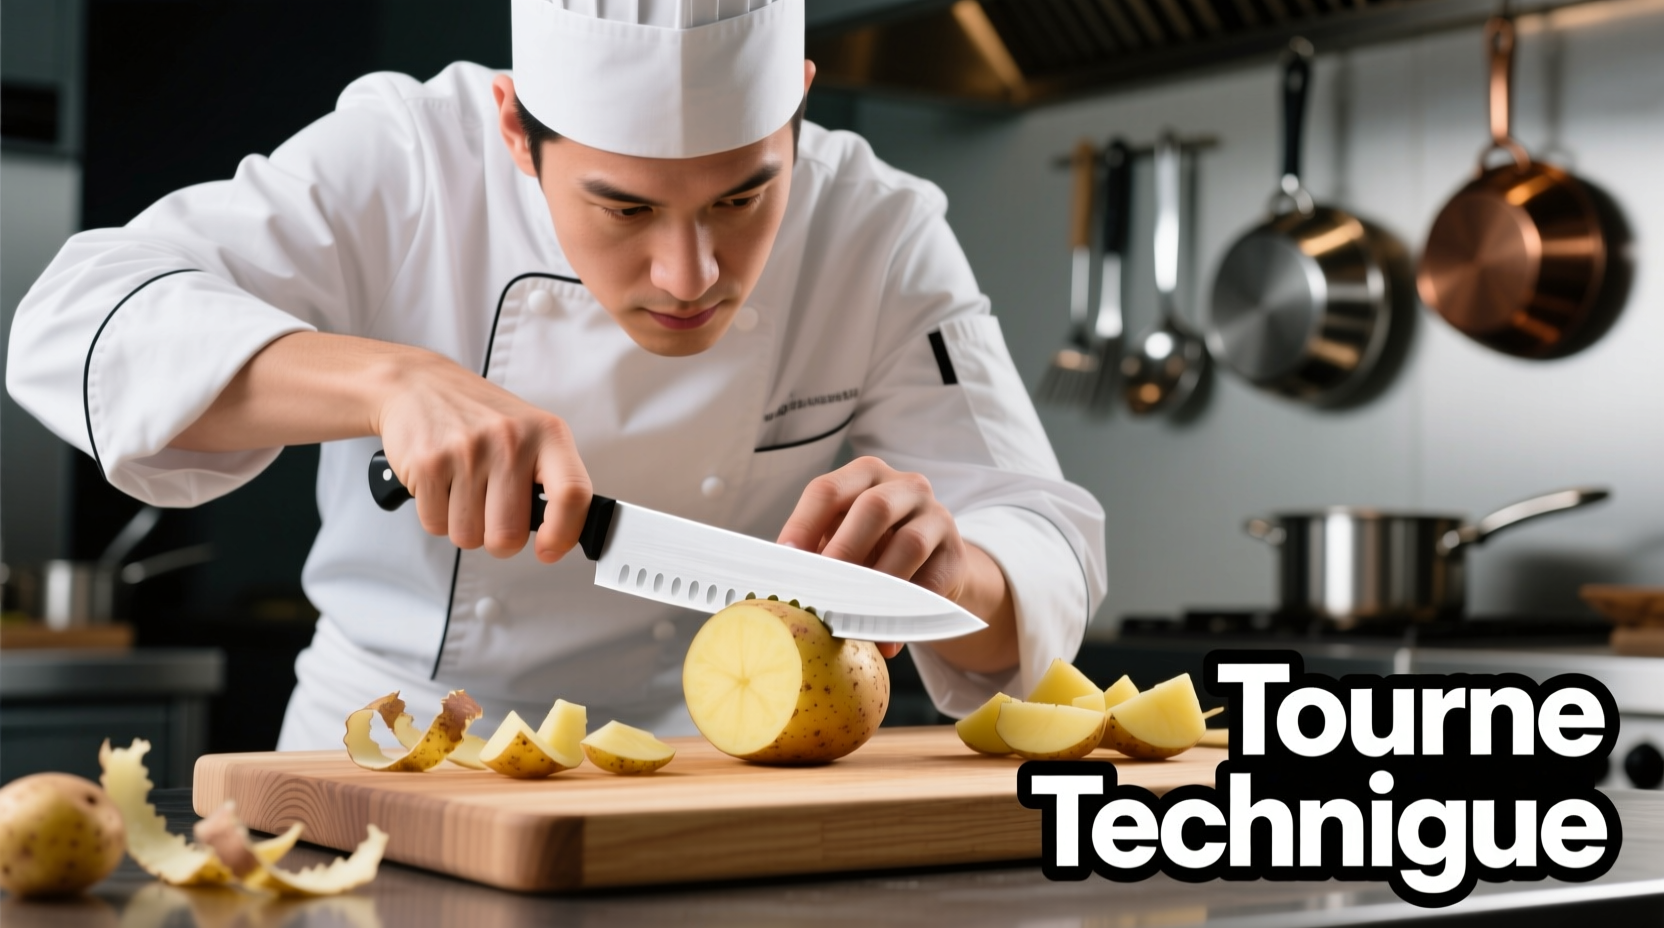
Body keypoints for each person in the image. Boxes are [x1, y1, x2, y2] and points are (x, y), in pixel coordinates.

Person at [6, 0, 1106, 748]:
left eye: (742, 197)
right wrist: (386, 381)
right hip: (395, 755)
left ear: (799, 106)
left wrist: (953, 573)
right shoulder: (406, 158)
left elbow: (1040, 528)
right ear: (515, 132)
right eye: (623, 207)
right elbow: (72, 321)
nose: (690, 273)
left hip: (700, 775)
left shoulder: (877, 226)